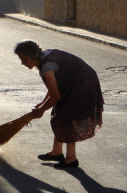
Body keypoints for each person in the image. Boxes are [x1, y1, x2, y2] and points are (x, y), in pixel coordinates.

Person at [14, 40, 104, 169]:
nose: (23, 63)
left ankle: (71, 159)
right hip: (76, 83)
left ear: (33, 56)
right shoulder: (44, 59)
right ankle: (56, 152)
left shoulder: (47, 67)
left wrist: (41, 110)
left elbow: (56, 95)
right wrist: (43, 103)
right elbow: (54, 87)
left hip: (84, 85)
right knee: (58, 114)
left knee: (67, 120)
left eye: (24, 59)